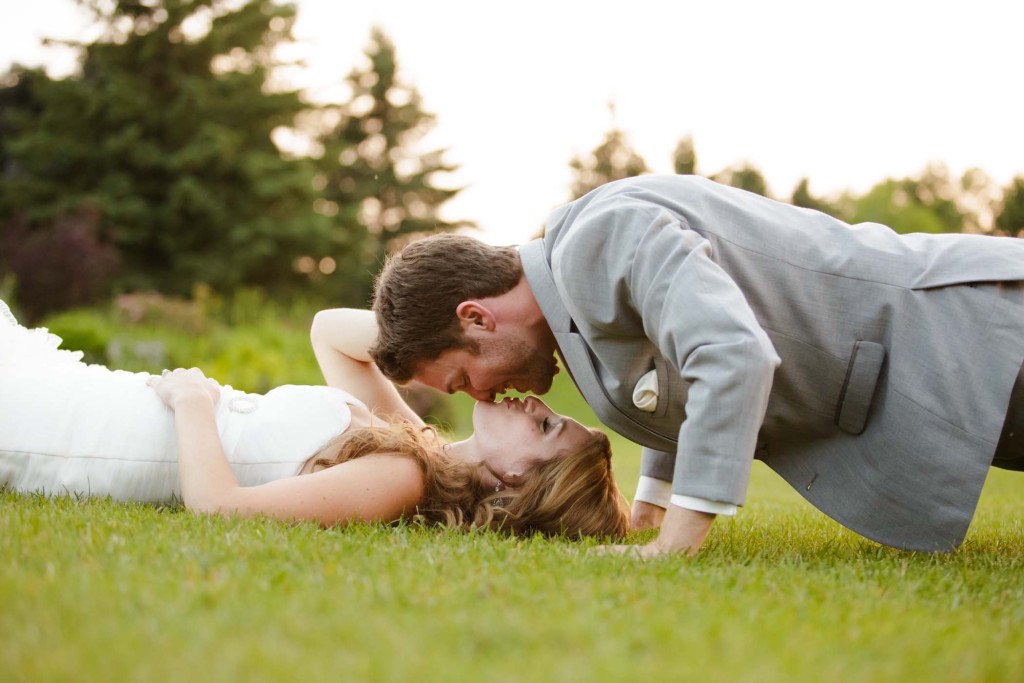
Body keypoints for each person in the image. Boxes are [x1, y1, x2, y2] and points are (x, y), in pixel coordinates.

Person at [370, 174, 1024, 558]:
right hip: (966, 374)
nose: (481, 397)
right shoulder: (574, 295)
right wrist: (649, 509)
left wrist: (677, 540)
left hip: (973, 334)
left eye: (461, 379)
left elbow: (729, 354)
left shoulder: (602, 239)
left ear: (477, 318)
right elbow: (671, 377)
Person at [0, 300, 630, 538]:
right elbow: (331, 332)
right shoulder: (412, 445)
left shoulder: (401, 480)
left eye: (546, 428)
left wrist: (195, 405)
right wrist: (446, 350)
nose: (538, 407)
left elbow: (221, 509)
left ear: (519, 484)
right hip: (112, 401)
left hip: (95, 436)